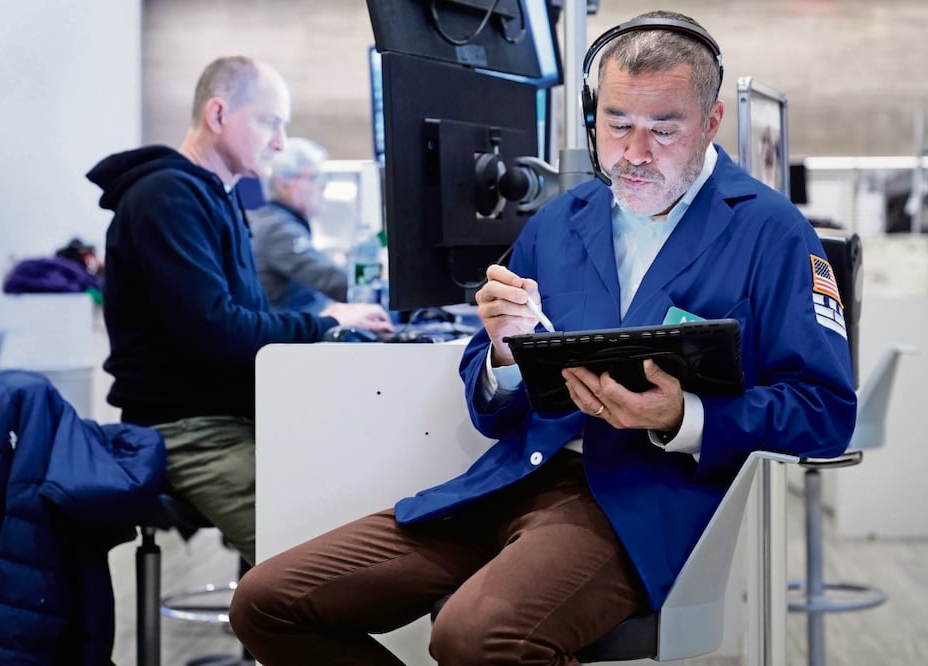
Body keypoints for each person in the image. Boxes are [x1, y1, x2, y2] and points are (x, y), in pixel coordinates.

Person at [228, 11, 857, 665]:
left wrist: (684, 416)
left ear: (709, 121)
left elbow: (825, 414)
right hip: (514, 478)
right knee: (267, 602)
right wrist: (501, 352)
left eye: (662, 129)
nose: (634, 153)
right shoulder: (561, 222)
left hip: (643, 498)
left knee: (473, 638)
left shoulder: (770, 232)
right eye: (616, 125)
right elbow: (488, 390)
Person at [86, 55, 393, 566]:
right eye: (270, 121)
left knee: (353, 500)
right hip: (191, 430)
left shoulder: (216, 195)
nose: (279, 140)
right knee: (318, 561)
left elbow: (238, 319)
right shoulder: (168, 196)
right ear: (218, 114)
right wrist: (329, 323)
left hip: (230, 416)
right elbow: (218, 330)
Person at [249, 136, 350, 314]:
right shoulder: (277, 229)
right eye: (315, 177)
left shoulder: (275, 221)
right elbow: (331, 279)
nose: (323, 185)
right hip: (288, 334)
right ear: (283, 183)